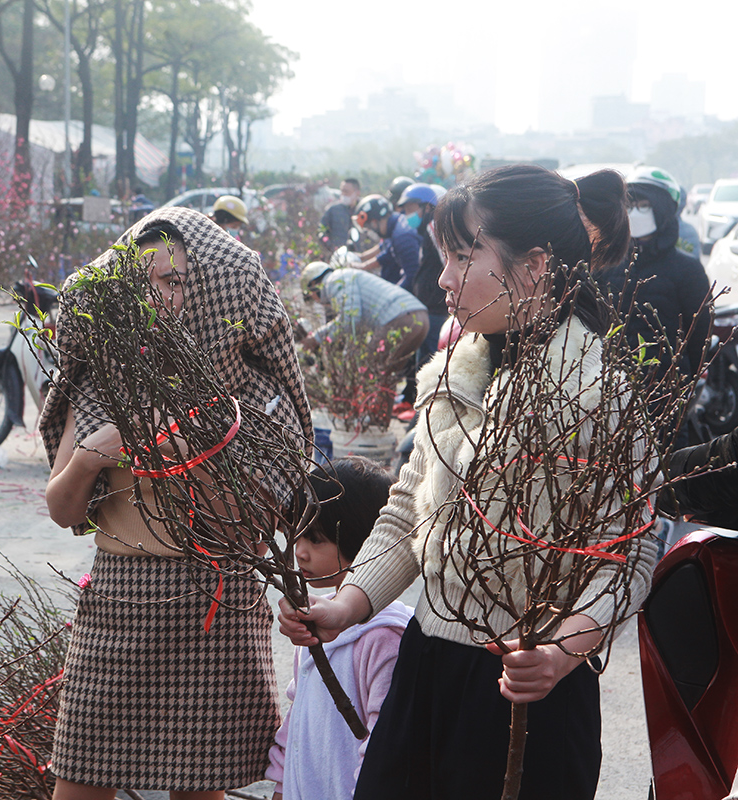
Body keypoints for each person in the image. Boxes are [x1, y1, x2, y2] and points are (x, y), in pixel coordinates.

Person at [279, 165, 658, 800]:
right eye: (442, 257)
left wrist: (562, 651)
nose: (443, 279)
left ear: (534, 265)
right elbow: (407, 512)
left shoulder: (598, 397)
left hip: (529, 691)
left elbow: (631, 552)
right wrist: (345, 607)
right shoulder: (454, 374)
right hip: (429, 666)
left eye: (462, 256)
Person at [40, 207, 312, 800]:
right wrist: (91, 455)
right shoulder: (101, 389)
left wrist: (206, 457)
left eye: (178, 281)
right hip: (120, 600)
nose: (166, 294)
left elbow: (260, 510)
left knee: (201, 786)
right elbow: (62, 510)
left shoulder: (242, 402)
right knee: (79, 782)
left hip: (214, 602)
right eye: (151, 279)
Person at [266, 459, 411, 800]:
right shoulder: (314, 621)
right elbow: (299, 715)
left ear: (363, 538)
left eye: (315, 540)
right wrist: (283, 786)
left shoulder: (384, 638)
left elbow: (383, 742)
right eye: (295, 535)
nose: (299, 552)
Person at [599, 167, 711, 447]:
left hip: (665, 393)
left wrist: (680, 382)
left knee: (666, 469)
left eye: (644, 205)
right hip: (609, 391)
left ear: (663, 210)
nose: (635, 213)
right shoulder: (607, 264)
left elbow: (700, 336)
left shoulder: (687, 269)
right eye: (630, 205)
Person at [297, 261, 429, 377]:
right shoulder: (345, 276)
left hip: (397, 317)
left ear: (314, 283)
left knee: (369, 373)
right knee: (387, 377)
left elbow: (350, 319)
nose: (315, 300)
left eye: (310, 295)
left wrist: (317, 338)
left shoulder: (333, 281)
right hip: (419, 317)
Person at [396, 183, 447, 415]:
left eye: (412, 208)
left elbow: (447, 261)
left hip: (437, 307)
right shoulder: (426, 229)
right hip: (427, 305)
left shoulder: (435, 228)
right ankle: (418, 409)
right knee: (422, 358)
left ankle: (424, 412)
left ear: (428, 207)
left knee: (430, 359)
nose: (408, 214)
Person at [350, 195, 422, 293]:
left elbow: (412, 276)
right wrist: (363, 261)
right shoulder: (396, 226)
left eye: (370, 227)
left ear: (375, 222)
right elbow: (388, 252)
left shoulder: (402, 237)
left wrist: (391, 295)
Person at [320, 178, 361, 253]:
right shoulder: (332, 210)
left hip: (361, 256)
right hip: (338, 255)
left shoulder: (364, 209)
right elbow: (321, 231)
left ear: (357, 193)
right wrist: (330, 246)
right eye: (342, 191)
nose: (343, 194)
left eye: (346, 192)